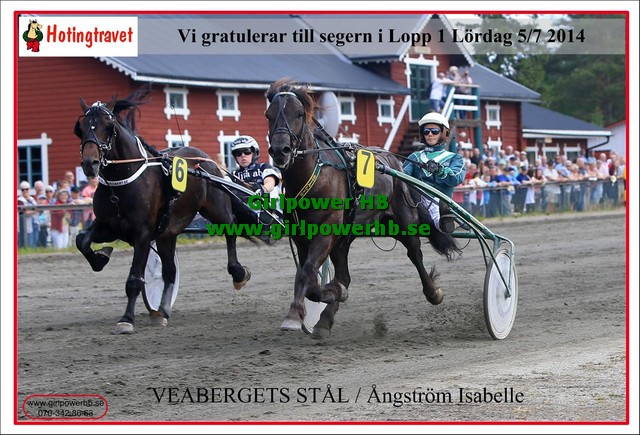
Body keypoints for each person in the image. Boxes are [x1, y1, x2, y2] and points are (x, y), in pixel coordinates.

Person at [402, 112, 466, 233]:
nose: (430, 134)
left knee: (438, 207)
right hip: (415, 202)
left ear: (444, 133)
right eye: (426, 131)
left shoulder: (454, 158)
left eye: (435, 131)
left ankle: (442, 223)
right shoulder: (415, 156)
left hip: (440, 202)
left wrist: (440, 171)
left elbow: (456, 179)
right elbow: (402, 177)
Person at [230, 136, 281, 237]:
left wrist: (262, 189)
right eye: (238, 153)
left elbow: (270, 183)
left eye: (246, 152)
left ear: (254, 152)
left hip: (266, 206)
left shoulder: (264, 167)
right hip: (245, 211)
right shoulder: (233, 174)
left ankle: (268, 222)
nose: (243, 156)